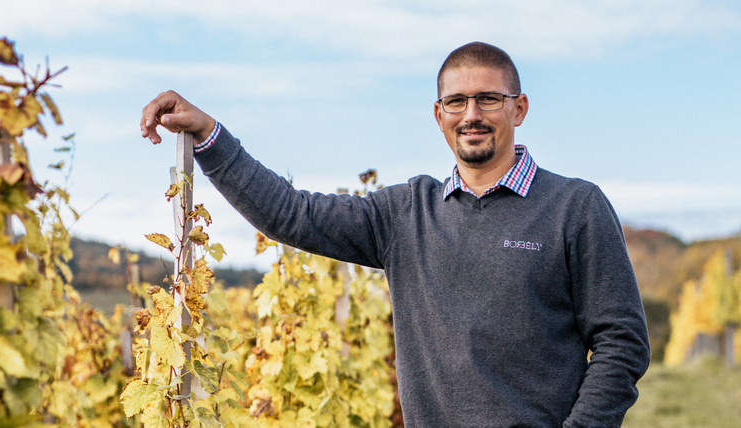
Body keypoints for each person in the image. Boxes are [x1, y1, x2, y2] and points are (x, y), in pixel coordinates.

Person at [141, 42, 650, 427]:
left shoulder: (575, 207)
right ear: (439, 116)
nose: (471, 114)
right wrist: (211, 137)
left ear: (518, 109)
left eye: (488, 99)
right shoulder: (405, 213)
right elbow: (291, 214)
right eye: (457, 102)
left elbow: (622, 342)